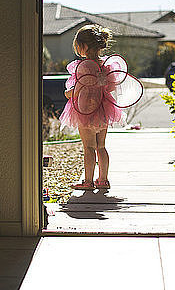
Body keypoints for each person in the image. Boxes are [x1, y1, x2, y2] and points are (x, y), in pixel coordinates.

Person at [59, 24, 142, 191]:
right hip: (103, 112)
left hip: (85, 112)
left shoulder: (84, 66)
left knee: (88, 147)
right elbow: (110, 87)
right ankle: (103, 180)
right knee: (101, 146)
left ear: (83, 46)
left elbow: (79, 90)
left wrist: (68, 93)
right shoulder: (106, 65)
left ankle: (88, 181)